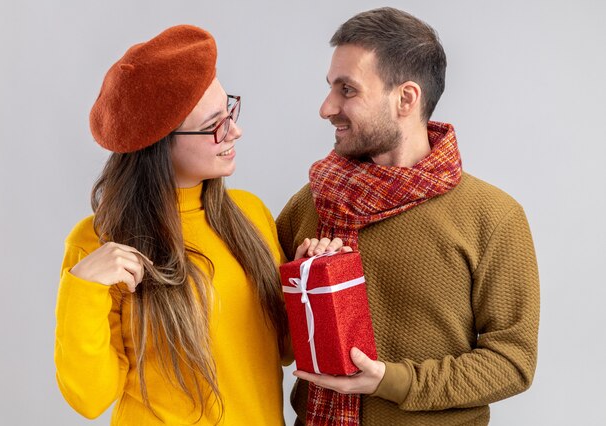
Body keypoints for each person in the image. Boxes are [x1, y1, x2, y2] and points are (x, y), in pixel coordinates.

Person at [54, 25, 345, 425]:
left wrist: (305, 282)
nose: (234, 131)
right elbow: (89, 398)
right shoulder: (98, 243)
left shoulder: (249, 214)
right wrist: (83, 287)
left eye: (230, 111)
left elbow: (282, 350)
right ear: (159, 143)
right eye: (214, 125)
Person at [276, 7, 540, 426]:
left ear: (406, 98)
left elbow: (513, 361)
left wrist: (390, 381)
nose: (326, 108)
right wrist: (305, 287)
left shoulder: (492, 217)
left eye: (347, 90)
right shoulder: (311, 203)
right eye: (330, 88)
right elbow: (274, 341)